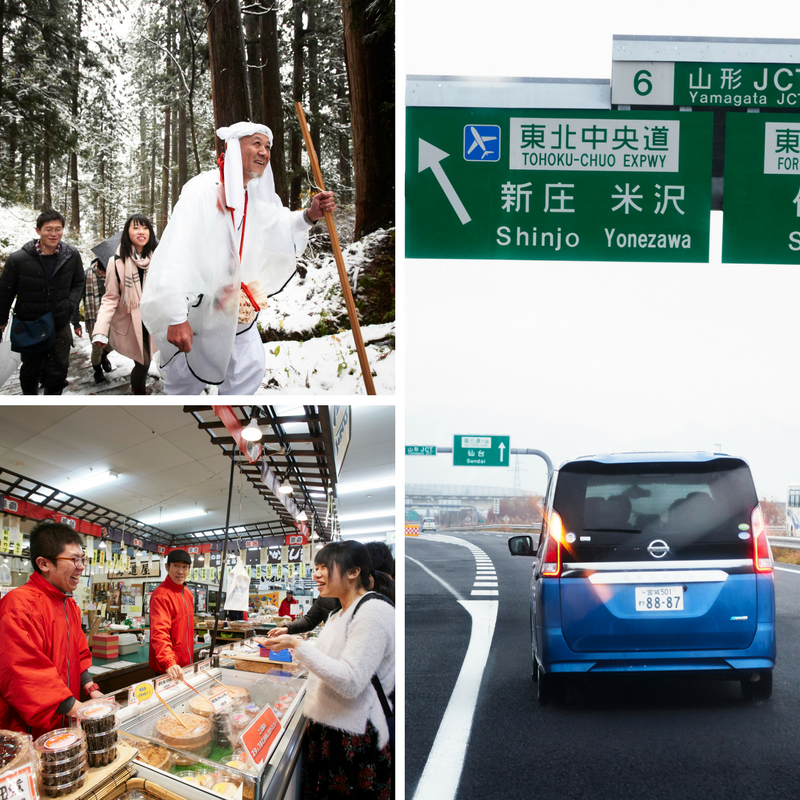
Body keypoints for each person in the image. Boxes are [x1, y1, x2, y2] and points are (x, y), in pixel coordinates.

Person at [140, 121, 336, 394]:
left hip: (234, 306)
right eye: (256, 143)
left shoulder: (254, 196)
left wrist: (310, 214)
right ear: (233, 147)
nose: (264, 152)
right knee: (186, 378)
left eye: (268, 147)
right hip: (194, 307)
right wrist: (175, 316)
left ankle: (237, 427)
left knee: (249, 366)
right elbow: (176, 250)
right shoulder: (202, 189)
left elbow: (279, 226)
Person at [260, 541, 394, 798]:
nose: (317, 574)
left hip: (354, 738)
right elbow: (323, 661)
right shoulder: (338, 614)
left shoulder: (373, 611)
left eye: (324, 567)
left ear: (353, 572)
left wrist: (297, 644)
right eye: (316, 567)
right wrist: (290, 646)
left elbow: (352, 681)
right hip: (329, 731)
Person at [0, 522, 104, 738]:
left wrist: (91, 688)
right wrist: (79, 710)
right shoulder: (18, 605)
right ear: (44, 563)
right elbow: (23, 673)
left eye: (82, 559)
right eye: (74, 559)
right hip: (28, 728)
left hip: (63, 719)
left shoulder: (69, 605)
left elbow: (79, 654)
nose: (81, 566)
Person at [0, 210, 85, 394]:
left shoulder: (71, 256)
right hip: (31, 323)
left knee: (58, 370)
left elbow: (79, 282)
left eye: (58, 229)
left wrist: (70, 305)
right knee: (31, 369)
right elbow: (5, 293)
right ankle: (31, 403)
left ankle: (51, 405)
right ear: (38, 230)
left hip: (59, 321)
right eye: (48, 229)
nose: (53, 234)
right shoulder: (19, 259)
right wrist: (1, 320)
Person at [91, 214, 158, 395]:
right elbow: (110, 297)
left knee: (148, 360)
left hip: (152, 320)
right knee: (143, 363)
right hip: (131, 321)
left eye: (145, 228)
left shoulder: (158, 259)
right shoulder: (117, 262)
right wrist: (100, 330)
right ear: (127, 232)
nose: (141, 232)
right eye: (135, 227)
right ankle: (139, 394)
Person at [149, 549, 195, 680]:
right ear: (167, 567)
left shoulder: (188, 594)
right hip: (169, 667)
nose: (180, 571)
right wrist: (169, 662)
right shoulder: (161, 595)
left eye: (184, 567)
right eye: (176, 566)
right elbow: (159, 631)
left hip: (186, 664)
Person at [82, 257, 114, 383]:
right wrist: (74, 321)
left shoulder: (114, 274)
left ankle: (103, 357)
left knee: (113, 343)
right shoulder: (87, 275)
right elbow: (79, 294)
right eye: (103, 273)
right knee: (97, 348)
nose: (105, 276)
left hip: (111, 316)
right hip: (94, 317)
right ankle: (97, 370)